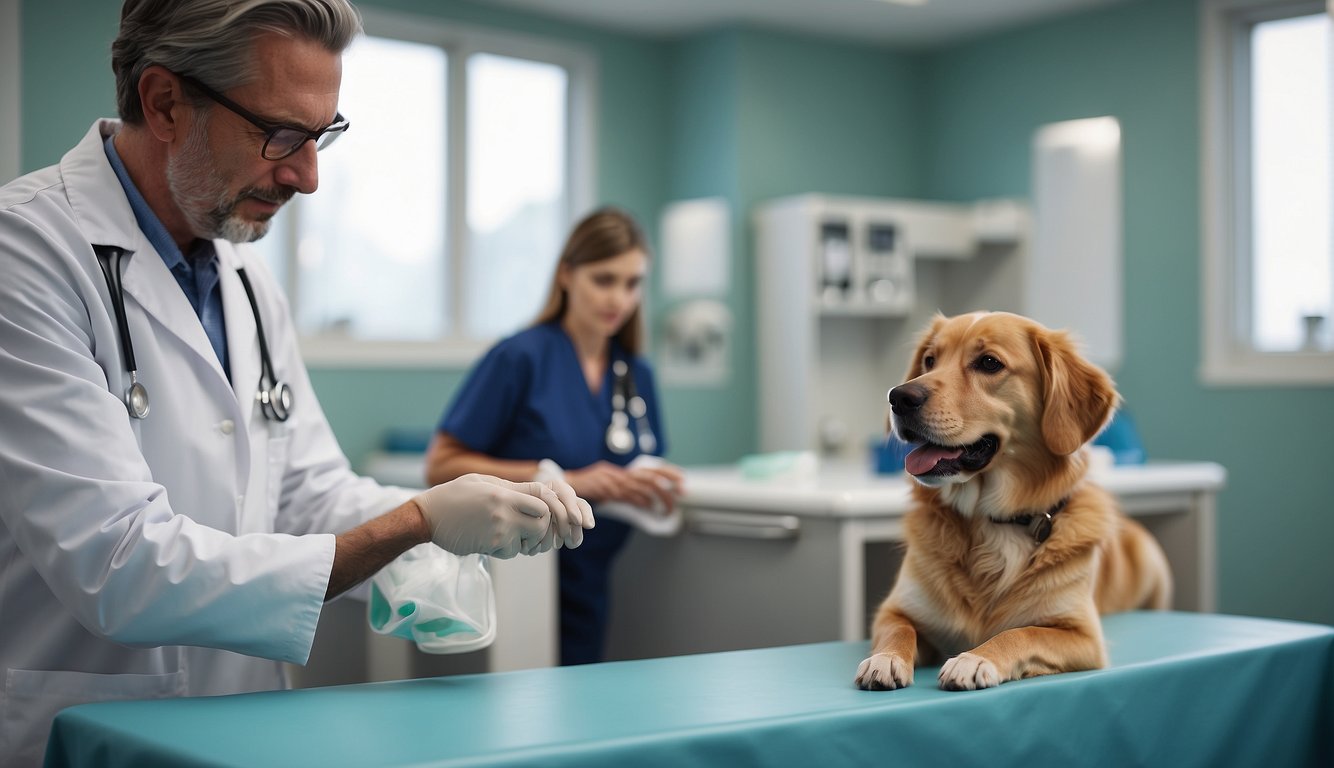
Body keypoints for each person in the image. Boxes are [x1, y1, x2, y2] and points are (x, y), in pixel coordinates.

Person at [0, 1, 592, 763]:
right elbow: (119, 565)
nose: (307, 177)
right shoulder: (26, 254)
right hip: (77, 727)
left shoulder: (244, 274)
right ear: (164, 102)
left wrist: (460, 510)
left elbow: (310, 496)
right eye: (279, 135)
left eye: (322, 137)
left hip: (243, 726)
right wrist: (415, 524)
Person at [425, 207, 684, 666]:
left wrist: (657, 485)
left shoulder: (635, 372)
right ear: (567, 274)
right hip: (521, 578)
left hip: (595, 581)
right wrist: (565, 478)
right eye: (604, 280)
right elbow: (441, 464)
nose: (619, 299)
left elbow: (646, 462)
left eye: (632, 283)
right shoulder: (520, 357)